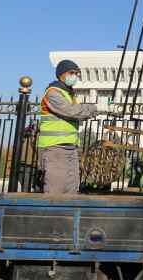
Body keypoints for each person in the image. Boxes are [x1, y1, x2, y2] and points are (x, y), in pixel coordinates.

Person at [37, 60, 103, 194]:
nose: (74, 76)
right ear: (61, 74)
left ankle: (67, 215)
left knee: (71, 187)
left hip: (70, 147)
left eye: (76, 74)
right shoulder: (53, 93)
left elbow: (76, 113)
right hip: (55, 147)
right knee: (56, 189)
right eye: (71, 73)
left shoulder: (69, 94)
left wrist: (86, 111)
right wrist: (93, 108)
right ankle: (54, 215)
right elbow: (71, 111)